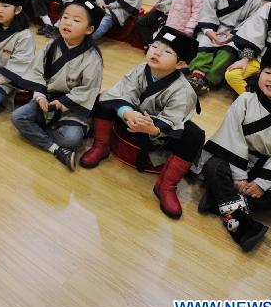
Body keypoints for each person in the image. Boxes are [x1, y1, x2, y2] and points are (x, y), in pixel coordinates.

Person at [79, 27, 204, 219]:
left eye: (167, 52)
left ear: (180, 64)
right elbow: (122, 92)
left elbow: (173, 119)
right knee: (104, 98)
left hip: (159, 132)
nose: (156, 52)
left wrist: (152, 129)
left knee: (194, 135)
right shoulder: (140, 69)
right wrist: (126, 112)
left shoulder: (184, 91)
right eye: (155, 46)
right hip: (133, 119)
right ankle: (101, 146)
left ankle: (166, 185)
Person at [198, 45, 271, 251]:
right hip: (237, 159)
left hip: (270, 165)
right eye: (268, 72)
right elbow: (231, 136)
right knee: (213, 166)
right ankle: (241, 224)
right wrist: (239, 175)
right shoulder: (245, 100)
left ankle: (220, 201)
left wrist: (263, 182)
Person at [11, 0, 104, 170]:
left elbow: (87, 90)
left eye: (76, 20)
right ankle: (55, 148)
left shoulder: (93, 59)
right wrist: (39, 98)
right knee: (17, 117)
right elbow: (36, 72)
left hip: (72, 106)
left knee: (71, 139)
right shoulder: (52, 45)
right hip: (46, 99)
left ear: (89, 29)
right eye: (65, 17)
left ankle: (47, 132)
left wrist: (61, 104)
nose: (67, 22)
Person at [187, 0, 263, 95]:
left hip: (237, 34)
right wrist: (209, 32)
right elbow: (207, 13)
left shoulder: (255, 1)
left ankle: (209, 80)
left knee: (227, 53)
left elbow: (251, 23)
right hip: (215, 30)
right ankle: (197, 75)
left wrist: (233, 34)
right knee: (204, 46)